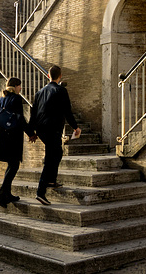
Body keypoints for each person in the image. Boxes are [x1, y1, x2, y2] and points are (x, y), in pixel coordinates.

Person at [29, 65, 81, 205]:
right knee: (53, 157)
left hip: (41, 129)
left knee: (55, 153)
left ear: (48, 76)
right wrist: (75, 127)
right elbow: (67, 111)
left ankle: (51, 181)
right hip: (52, 128)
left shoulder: (39, 92)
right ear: (60, 76)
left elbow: (33, 114)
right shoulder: (61, 90)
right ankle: (40, 192)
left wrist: (32, 132)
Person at [0, 77, 35, 207]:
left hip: (2, 136)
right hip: (12, 137)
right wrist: (31, 133)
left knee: (11, 164)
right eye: (19, 86)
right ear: (15, 86)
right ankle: (1, 193)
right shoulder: (16, 99)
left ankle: (6, 193)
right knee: (14, 165)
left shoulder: (0, 100)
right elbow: (20, 119)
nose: (21, 89)